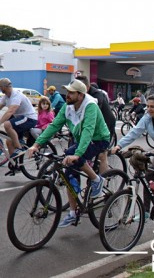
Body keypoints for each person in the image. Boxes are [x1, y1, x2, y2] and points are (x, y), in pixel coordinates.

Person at [28, 79, 110, 228]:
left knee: (76, 159)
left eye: (71, 93)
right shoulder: (68, 106)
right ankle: (73, 213)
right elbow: (54, 126)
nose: (68, 95)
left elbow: (88, 131)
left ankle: (97, 180)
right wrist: (36, 144)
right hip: (82, 140)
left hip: (98, 139)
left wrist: (78, 154)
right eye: (67, 92)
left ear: (80, 95)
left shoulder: (90, 106)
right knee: (68, 174)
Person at [75, 75, 116, 173]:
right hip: (94, 125)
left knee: (102, 154)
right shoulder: (78, 96)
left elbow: (91, 115)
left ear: (87, 87)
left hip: (106, 124)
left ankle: (102, 179)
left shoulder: (97, 95)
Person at [0, 78, 37, 157]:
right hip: (21, 119)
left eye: (0, 86)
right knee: (9, 141)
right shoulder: (6, 97)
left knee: (7, 124)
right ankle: (15, 165)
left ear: (4, 87)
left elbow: (10, 111)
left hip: (30, 118)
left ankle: (19, 148)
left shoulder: (16, 96)